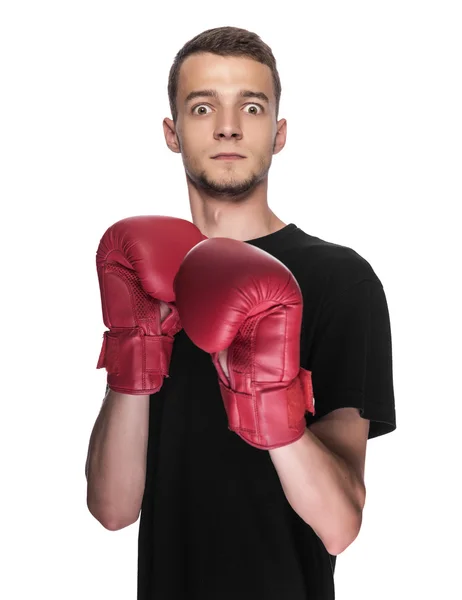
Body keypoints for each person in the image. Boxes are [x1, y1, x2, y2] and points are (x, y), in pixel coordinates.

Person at [85, 25, 396, 600]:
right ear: (171, 133)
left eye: (251, 107)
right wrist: (137, 343)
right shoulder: (148, 274)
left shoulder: (339, 280)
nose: (228, 126)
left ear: (278, 134)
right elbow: (112, 508)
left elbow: (340, 525)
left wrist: (269, 401)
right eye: (203, 107)